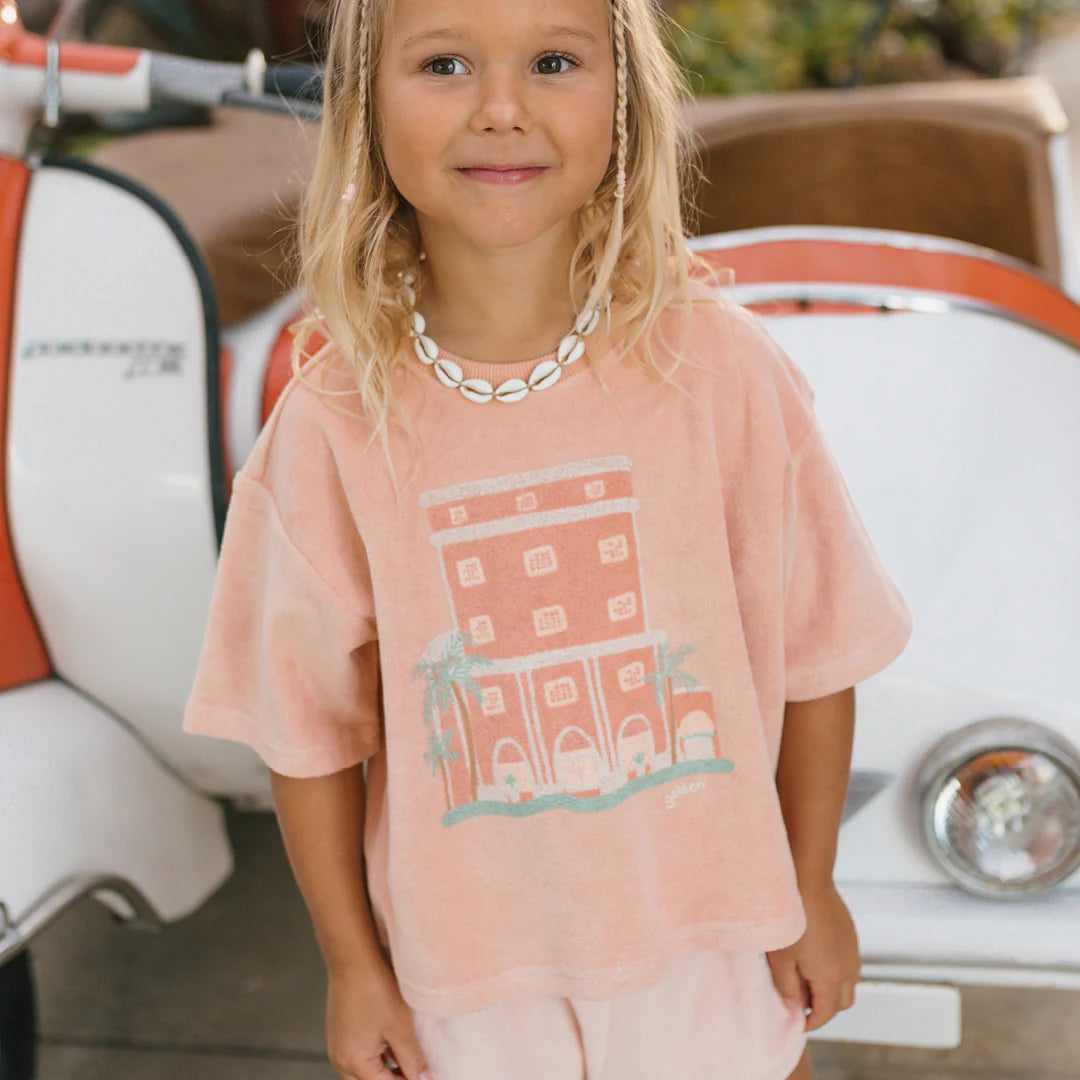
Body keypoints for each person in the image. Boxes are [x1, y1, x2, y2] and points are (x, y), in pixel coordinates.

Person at [180, 0, 915, 1077]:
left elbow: (816, 654)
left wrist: (809, 884)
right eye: (444, 65)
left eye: (554, 61)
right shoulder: (334, 420)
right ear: (368, 107)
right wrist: (352, 966)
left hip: (712, 940)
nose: (501, 110)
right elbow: (309, 731)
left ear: (623, 99)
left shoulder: (721, 371)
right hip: (468, 982)